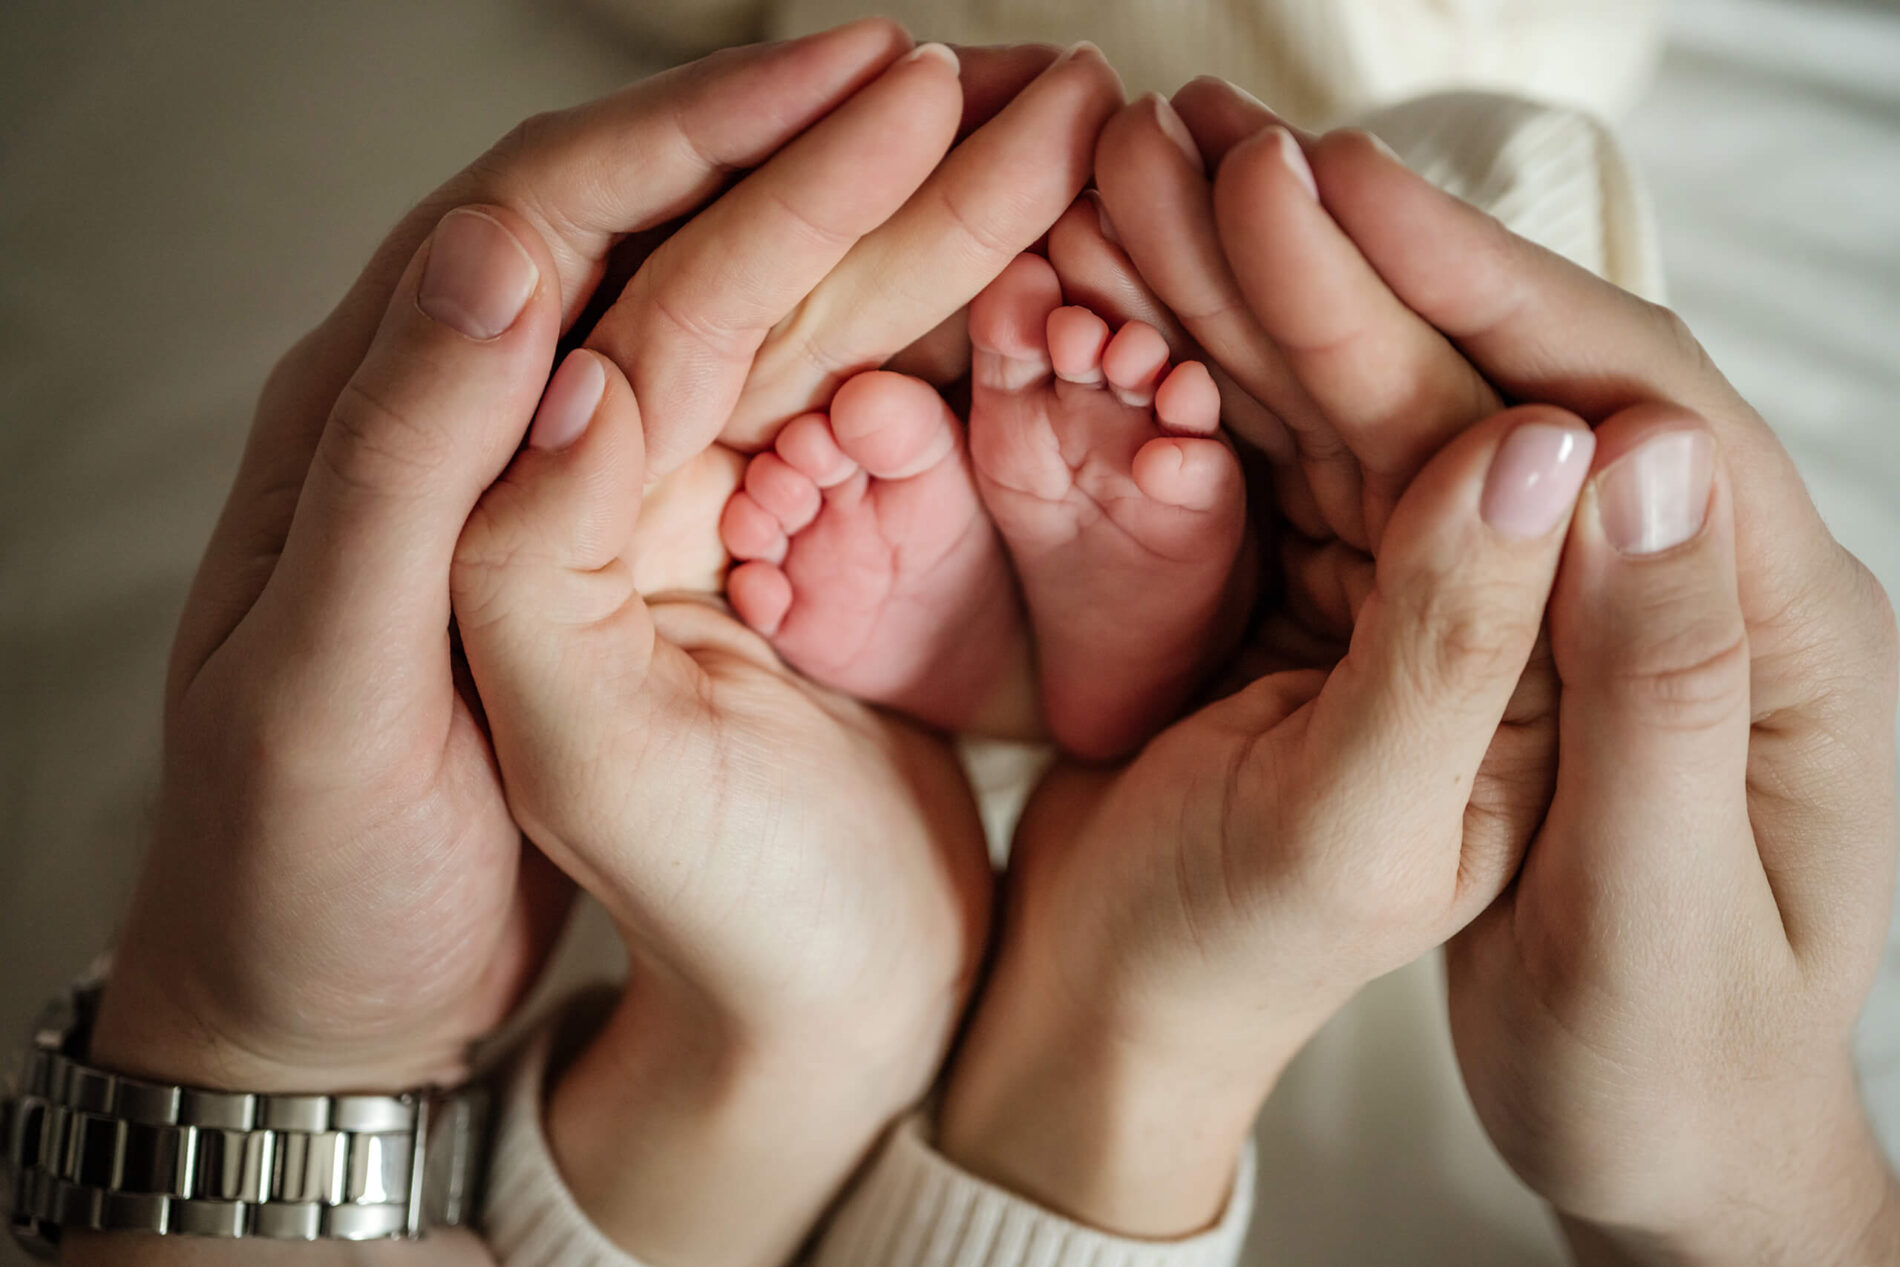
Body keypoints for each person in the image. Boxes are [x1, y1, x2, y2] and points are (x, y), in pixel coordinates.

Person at [43, 20, 1896, 1267]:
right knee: (1439, 204)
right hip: (1256, 357)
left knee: (944, 222)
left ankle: (1065, 621)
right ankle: (1133, 619)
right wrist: (1746, 1194)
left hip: (900, 339)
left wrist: (267, 1043)